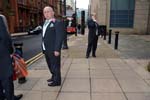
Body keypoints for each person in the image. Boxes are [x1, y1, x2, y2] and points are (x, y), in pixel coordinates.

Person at [0, 14, 23, 100]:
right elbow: (5, 37)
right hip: (2, 54)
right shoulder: (0, 18)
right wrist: (10, 51)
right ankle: (11, 98)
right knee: (7, 78)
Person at [42, 6, 65, 86]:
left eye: (48, 11)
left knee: (55, 65)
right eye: (45, 12)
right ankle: (53, 76)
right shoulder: (45, 23)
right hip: (46, 49)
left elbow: (59, 37)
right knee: (50, 64)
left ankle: (57, 81)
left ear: (53, 13)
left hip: (53, 49)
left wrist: (57, 49)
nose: (46, 13)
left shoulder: (57, 22)